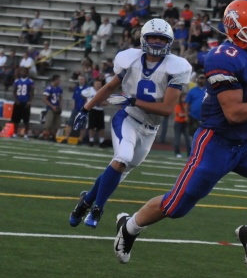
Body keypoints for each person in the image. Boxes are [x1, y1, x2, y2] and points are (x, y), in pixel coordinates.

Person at [110, 0, 247, 276]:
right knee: (176, 206)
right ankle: (130, 225)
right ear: (235, 33)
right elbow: (234, 113)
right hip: (216, 141)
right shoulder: (222, 58)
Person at [68, 18, 193, 229]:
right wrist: (85, 109)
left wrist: (133, 100)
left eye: (161, 39)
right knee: (122, 158)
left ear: (169, 42)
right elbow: (109, 88)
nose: (155, 42)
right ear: (143, 38)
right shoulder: (130, 60)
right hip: (128, 118)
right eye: (152, 37)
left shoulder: (177, 67)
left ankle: (86, 201)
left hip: (150, 129)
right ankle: (97, 208)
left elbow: (167, 110)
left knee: (119, 169)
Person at [10, 67, 34, 139]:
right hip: (18, 102)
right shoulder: (17, 81)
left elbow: (32, 92)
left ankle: (26, 134)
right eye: (22, 71)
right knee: (15, 119)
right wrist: (16, 100)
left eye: (24, 71)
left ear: (27, 73)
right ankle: (15, 133)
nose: (23, 73)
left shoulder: (30, 81)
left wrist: (29, 101)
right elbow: (14, 91)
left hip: (25, 102)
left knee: (26, 120)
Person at [40, 74, 63, 141]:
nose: (59, 81)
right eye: (59, 80)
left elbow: (60, 98)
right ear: (55, 80)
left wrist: (60, 107)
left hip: (57, 109)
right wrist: (52, 106)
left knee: (57, 124)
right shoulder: (49, 88)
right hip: (50, 108)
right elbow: (44, 99)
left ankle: (53, 137)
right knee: (48, 124)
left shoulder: (59, 89)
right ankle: (44, 136)